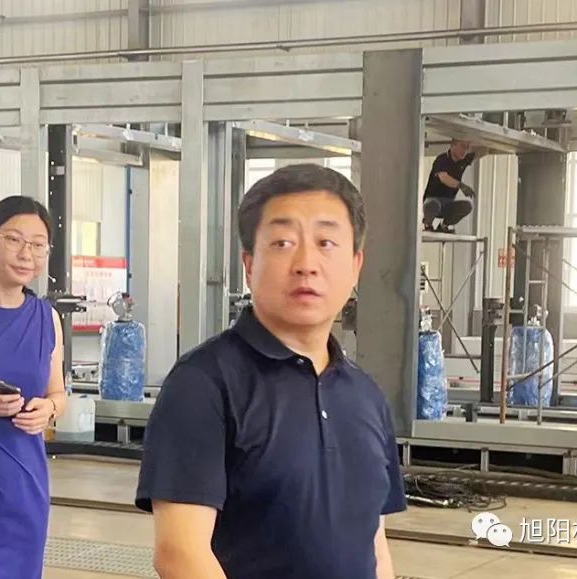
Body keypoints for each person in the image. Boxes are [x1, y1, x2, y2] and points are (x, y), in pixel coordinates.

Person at [135, 164, 405, 579]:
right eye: (282, 243)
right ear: (249, 264)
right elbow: (180, 554)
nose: (306, 264)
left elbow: (375, 544)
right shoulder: (203, 384)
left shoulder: (365, 395)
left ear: (355, 266)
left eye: (326, 243)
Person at [0, 196, 67, 579]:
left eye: (38, 245)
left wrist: (49, 410)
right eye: (15, 240)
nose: (27, 254)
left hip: (24, 486)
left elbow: (58, 393)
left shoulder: (47, 318)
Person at [422, 139, 486, 233]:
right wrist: (462, 186)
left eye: (467, 148)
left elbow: (484, 151)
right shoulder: (442, 159)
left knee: (467, 206)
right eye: (463, 146)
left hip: (448, 204)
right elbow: (444, 177)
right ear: (453, 145)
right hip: (432, 201)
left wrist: (472, 142)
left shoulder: (463, 160)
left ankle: (444, 225)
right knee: (433, 204)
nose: (465, 151)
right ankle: (428, 224)